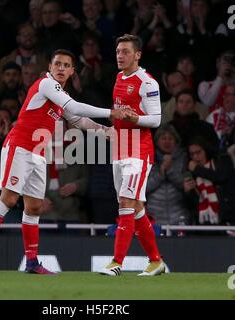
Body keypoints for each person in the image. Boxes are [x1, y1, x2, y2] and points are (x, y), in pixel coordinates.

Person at [0, 49, 132, 274]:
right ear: (49, 67)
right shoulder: (45, 84)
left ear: (72, 71)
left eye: (66, 65)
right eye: (57, 63)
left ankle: (31, 262)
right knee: (8, 199)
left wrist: (106, 131)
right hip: (19, 147)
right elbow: (75, 108)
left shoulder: (60, 97)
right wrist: (111, 112)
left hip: (38, 153)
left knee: (34, 207)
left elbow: (78, 120)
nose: (60, 68)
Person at [100, 34, 166, 277]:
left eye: (126, 51)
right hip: (119, 149)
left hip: (139, 152)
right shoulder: (118, 78)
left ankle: (116, 262)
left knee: (127, 203)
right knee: (135, 207)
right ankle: (156, 261)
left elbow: (156, 119)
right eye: (118, 51)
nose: (120, 55)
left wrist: (134, 118)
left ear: (137, 55)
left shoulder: (147, 82)